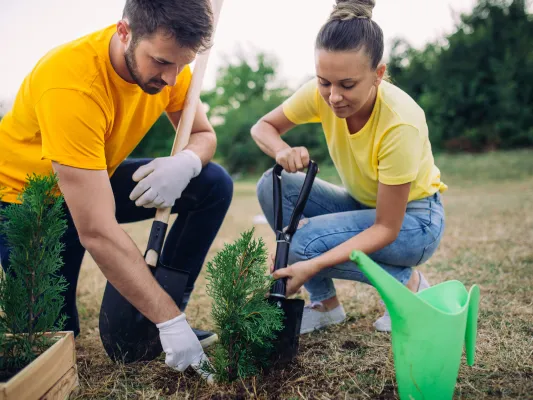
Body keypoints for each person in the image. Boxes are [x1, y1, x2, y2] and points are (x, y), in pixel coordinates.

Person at [0, 0, 233, 375]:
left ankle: (164, 307)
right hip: (26, 200)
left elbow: (203, 135)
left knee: (211, 182)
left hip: (93, 175)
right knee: (51, 343)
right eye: (161, 62)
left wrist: (185, 163)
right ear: (124, 32)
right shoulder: (71, 85)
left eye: (182, 64)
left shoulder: (169, 63)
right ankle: (170, 322)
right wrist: (170, 323)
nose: (172, 79)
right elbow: (96, 230)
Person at [251, 0, 446, 334]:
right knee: (273, 184)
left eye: (347, 84)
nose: (333, 96)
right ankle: (325, 305)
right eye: (324, 81)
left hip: (414, 223)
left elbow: (386, 227)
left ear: (378, 74)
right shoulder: (321, 93)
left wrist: (308, 265)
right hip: (362, 205)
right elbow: (262, 128)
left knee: (304, 243)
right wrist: (281, 150)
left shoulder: (400, 123)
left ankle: (410, 287)